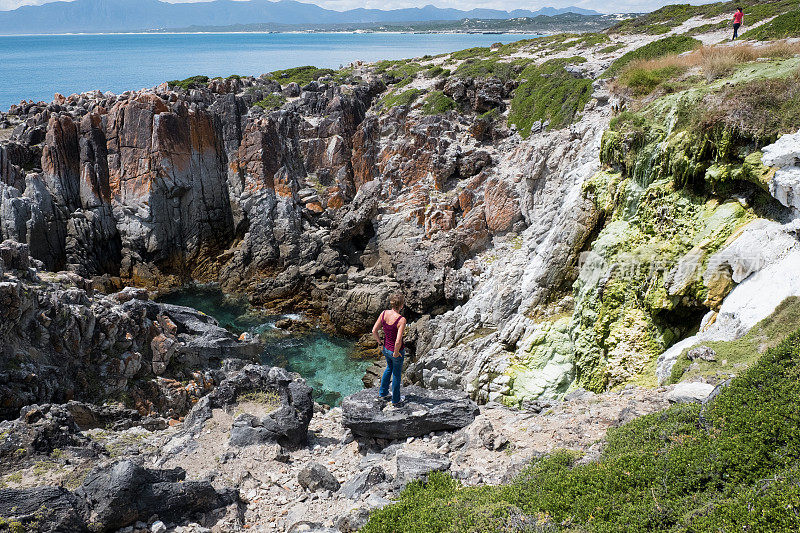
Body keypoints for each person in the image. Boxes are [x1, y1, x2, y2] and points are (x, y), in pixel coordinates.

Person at [372, 293, 407, 407]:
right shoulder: (401, 320)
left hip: (386, 348)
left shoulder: (384, 314)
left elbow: (374, 331)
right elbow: (398, 341)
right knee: (396, 374)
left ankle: (383, 393)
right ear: (401, 306)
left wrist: (380, 343)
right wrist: (396, 352)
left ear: (391, 303)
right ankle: (396, 399)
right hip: (395, 351)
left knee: (388, 368)